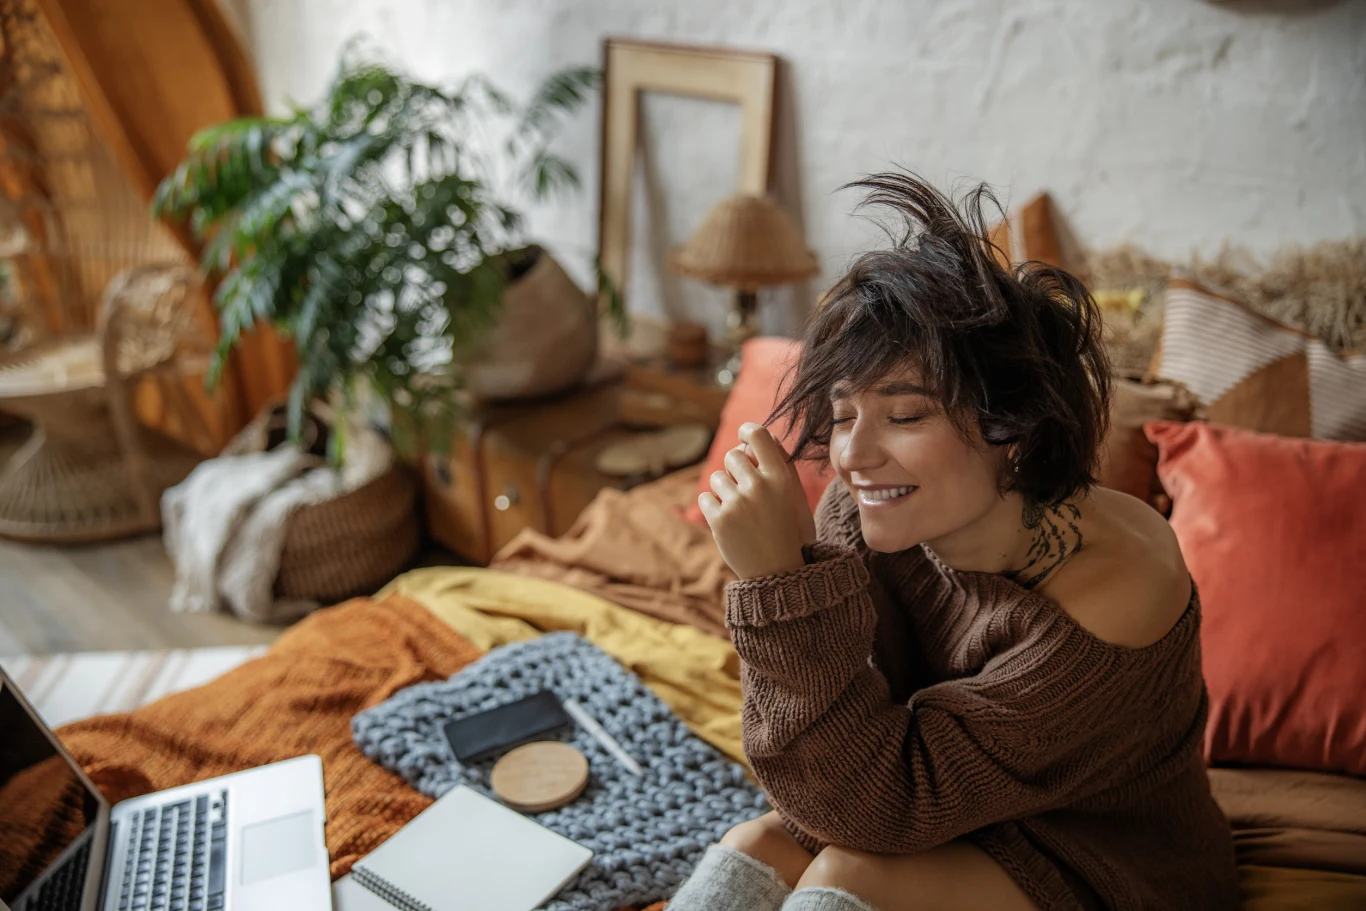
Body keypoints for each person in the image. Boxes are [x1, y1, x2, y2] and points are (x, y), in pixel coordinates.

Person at [667, 172, 1238, 911]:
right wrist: (788, 580)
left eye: (905, 416)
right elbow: (830, 772)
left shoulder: (1116, 593)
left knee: (847, 875)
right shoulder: (872, 505)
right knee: (757, 844)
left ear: (1015, 429)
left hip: (1097, 853)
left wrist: (781, 586)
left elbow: (874, 810)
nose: (854, 456)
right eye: (843, 415)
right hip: (936, 802)